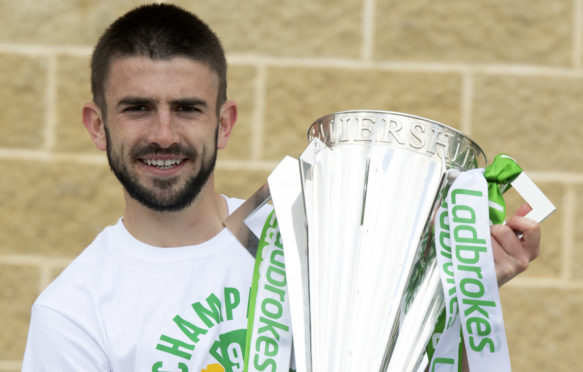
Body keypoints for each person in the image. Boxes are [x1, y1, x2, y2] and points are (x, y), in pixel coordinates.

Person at [22, 3, 541, 372]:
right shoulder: (72, 312)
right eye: (137, 108)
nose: (163, 134)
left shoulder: (312, 242)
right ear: (97, 125)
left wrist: (462, 296)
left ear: (224, 123)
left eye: (187, 108)